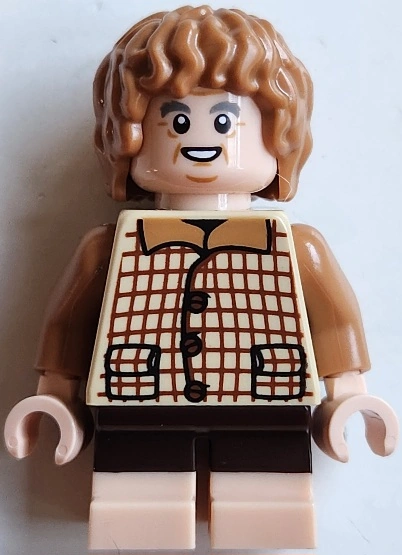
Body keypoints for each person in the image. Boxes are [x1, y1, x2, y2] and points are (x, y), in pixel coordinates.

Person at [4, 6, 398, 551]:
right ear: (129, 137)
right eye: (177, 122)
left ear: (278, 135)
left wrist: (347, 394)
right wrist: (56, 396)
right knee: (137, 507)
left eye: (226, 122)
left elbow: (334, 324)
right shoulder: (107, 248)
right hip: (139, 401)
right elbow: (68, 326)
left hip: (266, 398)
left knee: (267, 506)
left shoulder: (296, 246)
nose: (201, 143)